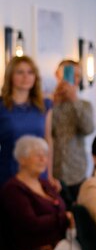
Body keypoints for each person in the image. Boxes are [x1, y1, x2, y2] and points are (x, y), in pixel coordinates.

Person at [0, 136, 81, 250]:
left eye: (45, 155)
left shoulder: (45, 184)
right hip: (34, 249)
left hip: (57, 241)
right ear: (22, 159)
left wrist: (65, 215)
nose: (44, 159)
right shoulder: (13, 189)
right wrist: (63, 217)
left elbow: (62, 206)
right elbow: (31, 224)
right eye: (38, 155)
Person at [0, 56, 56, 188]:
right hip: (9, 170)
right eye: (20, 72)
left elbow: (48, 139)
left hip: (39, 172)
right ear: (10, 76)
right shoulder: (2, 107)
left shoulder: (44, 105)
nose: (26, 77)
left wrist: (49, 174)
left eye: (30, 72)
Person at [52, 60, 95, 202]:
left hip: (77, 171)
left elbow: (88, 128)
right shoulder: (47, 103)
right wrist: (54, 101)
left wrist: (74, 100)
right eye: (69, 74)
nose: (73, 79)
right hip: (51, 172)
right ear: (57, 75)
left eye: (77, 76)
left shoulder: (85, 105)